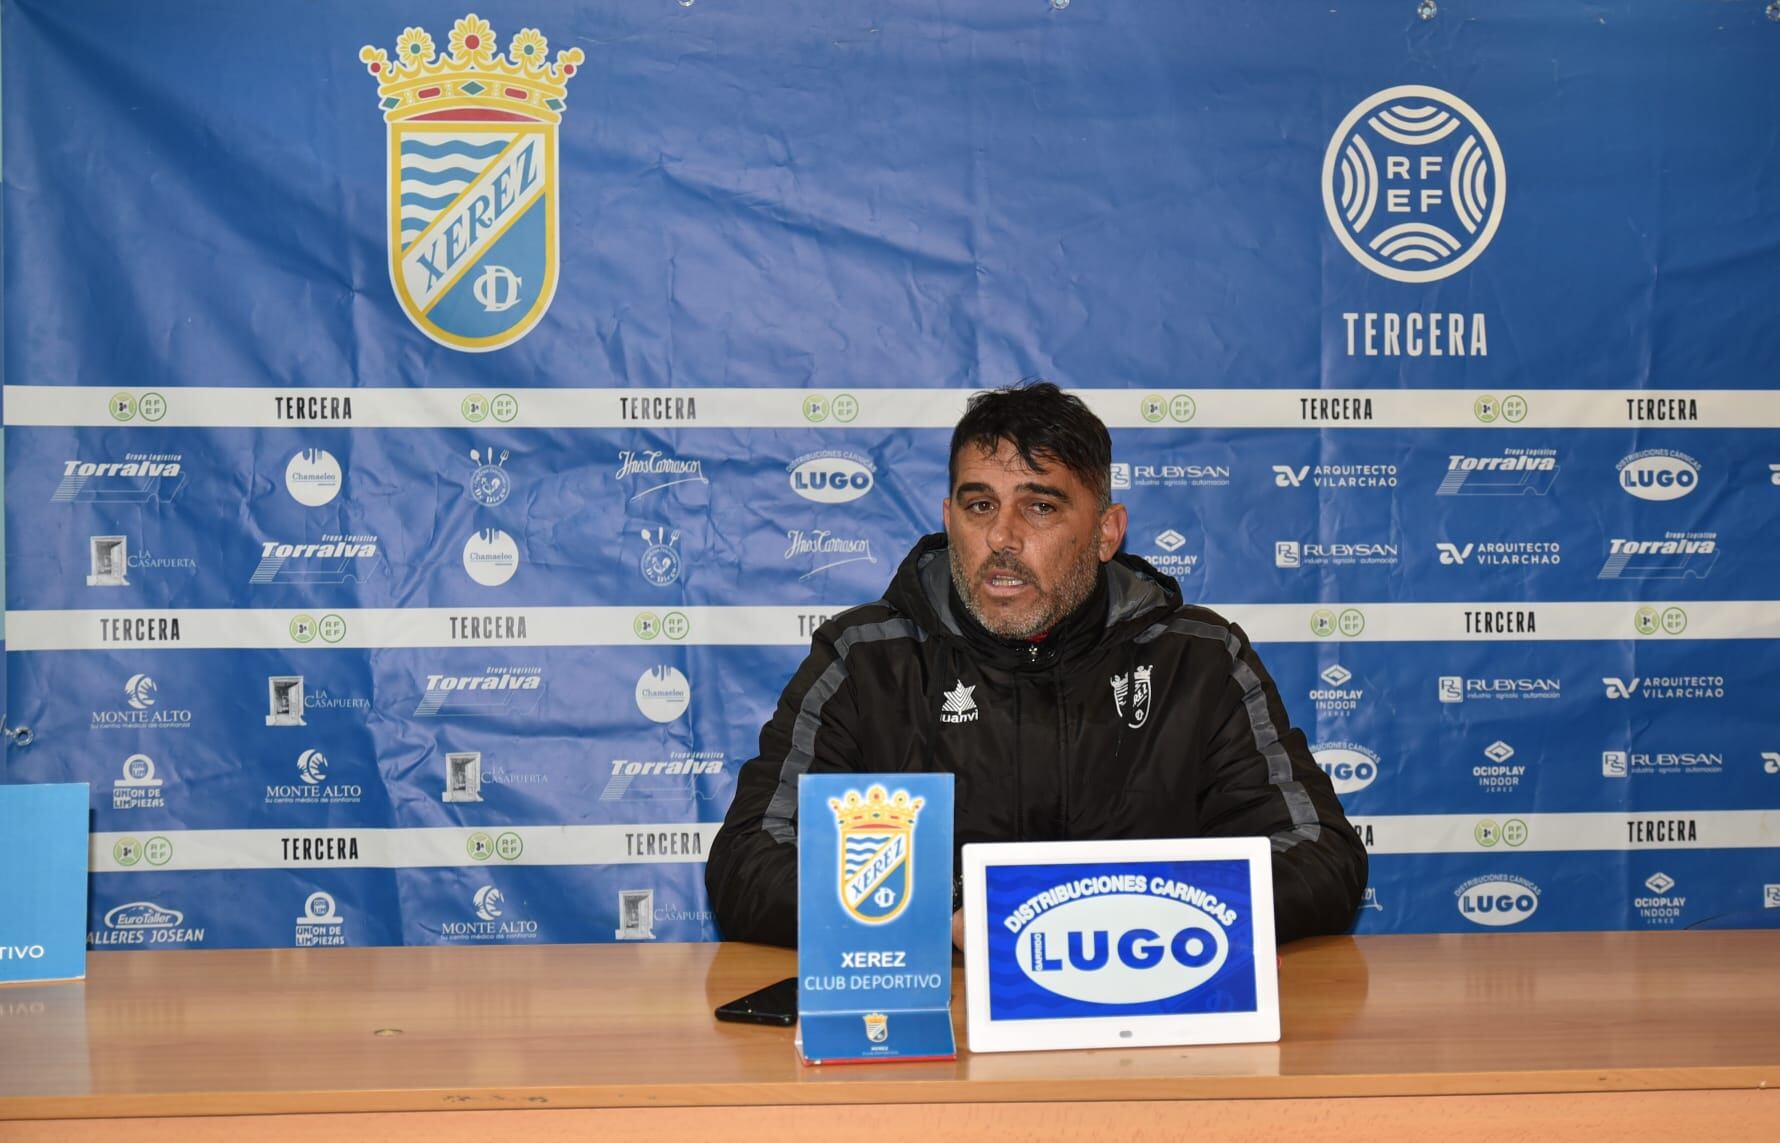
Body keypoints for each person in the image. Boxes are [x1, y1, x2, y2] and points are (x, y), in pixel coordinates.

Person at [706, 382, 1367, 946]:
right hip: (944, 1040)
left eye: (1040, 506)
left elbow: (1320, 854)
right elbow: (749, 861)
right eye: (980, 505)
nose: (1002, 537)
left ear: (1107, 532)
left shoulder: (1198, 659)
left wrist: (1116, 916)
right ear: (949, 517)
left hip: (1143, 1028)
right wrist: (938, 913)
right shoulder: (866, 659)